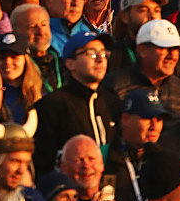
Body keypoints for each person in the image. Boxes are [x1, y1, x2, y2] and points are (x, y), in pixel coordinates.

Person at [33, 30, 120, 172]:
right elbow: (44, 162)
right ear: (70, 63)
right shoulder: (51, 106)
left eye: (103, 53)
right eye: (91, 53)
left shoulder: (112, 101)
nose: (100, 59)